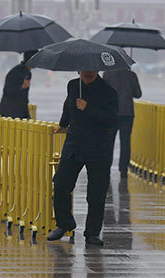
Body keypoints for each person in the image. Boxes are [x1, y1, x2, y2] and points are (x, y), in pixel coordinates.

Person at [47, 70, 118, 245]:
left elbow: (111, 119)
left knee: (96, 193)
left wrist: (88, 108)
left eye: (90, 67)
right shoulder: (73, 85)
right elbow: (68, 107)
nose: (86, 70)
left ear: (97, 69)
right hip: (74, 145)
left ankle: (92, 232)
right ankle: (65, 223)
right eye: (83, 67)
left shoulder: (108, 91)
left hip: (98, 148)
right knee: (61, 184)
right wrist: (63, 124)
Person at [103, 69, 142, 179]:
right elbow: (138, 94)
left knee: (109, 142)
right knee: (125, 142)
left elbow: (103, 93)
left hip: (111, 113)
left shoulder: (108, 74)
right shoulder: (131, 75)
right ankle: (123, 169)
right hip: (127, 113)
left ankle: (106, 168)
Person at [0, 50, 36, 119]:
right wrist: (21, 87)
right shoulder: (16, 71)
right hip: (9, 112)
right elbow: (7, 90)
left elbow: (24, 97)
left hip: (20, 111)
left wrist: (26, 114)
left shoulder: (28, 73)